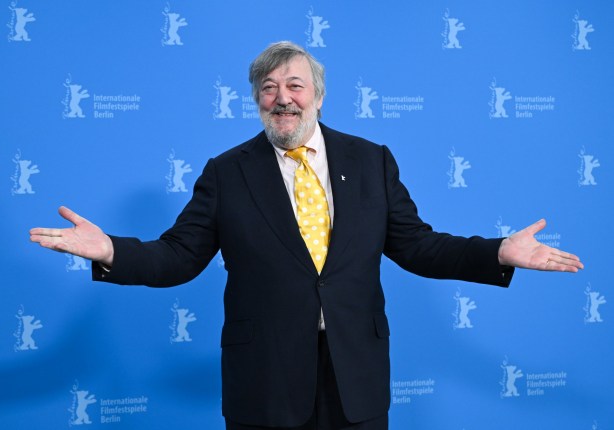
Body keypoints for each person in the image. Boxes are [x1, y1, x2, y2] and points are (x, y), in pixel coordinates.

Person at [30, 41, 583, 430]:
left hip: (356, 377)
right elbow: (178, 256)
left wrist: (498, 253)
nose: (282, 98)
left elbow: (417, 244)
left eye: (295, 84)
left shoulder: (371, 161)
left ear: (318, 95)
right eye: (268, 89)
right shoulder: (227, 171)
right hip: (264, 378)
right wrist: (110, 252)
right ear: (257, 102)